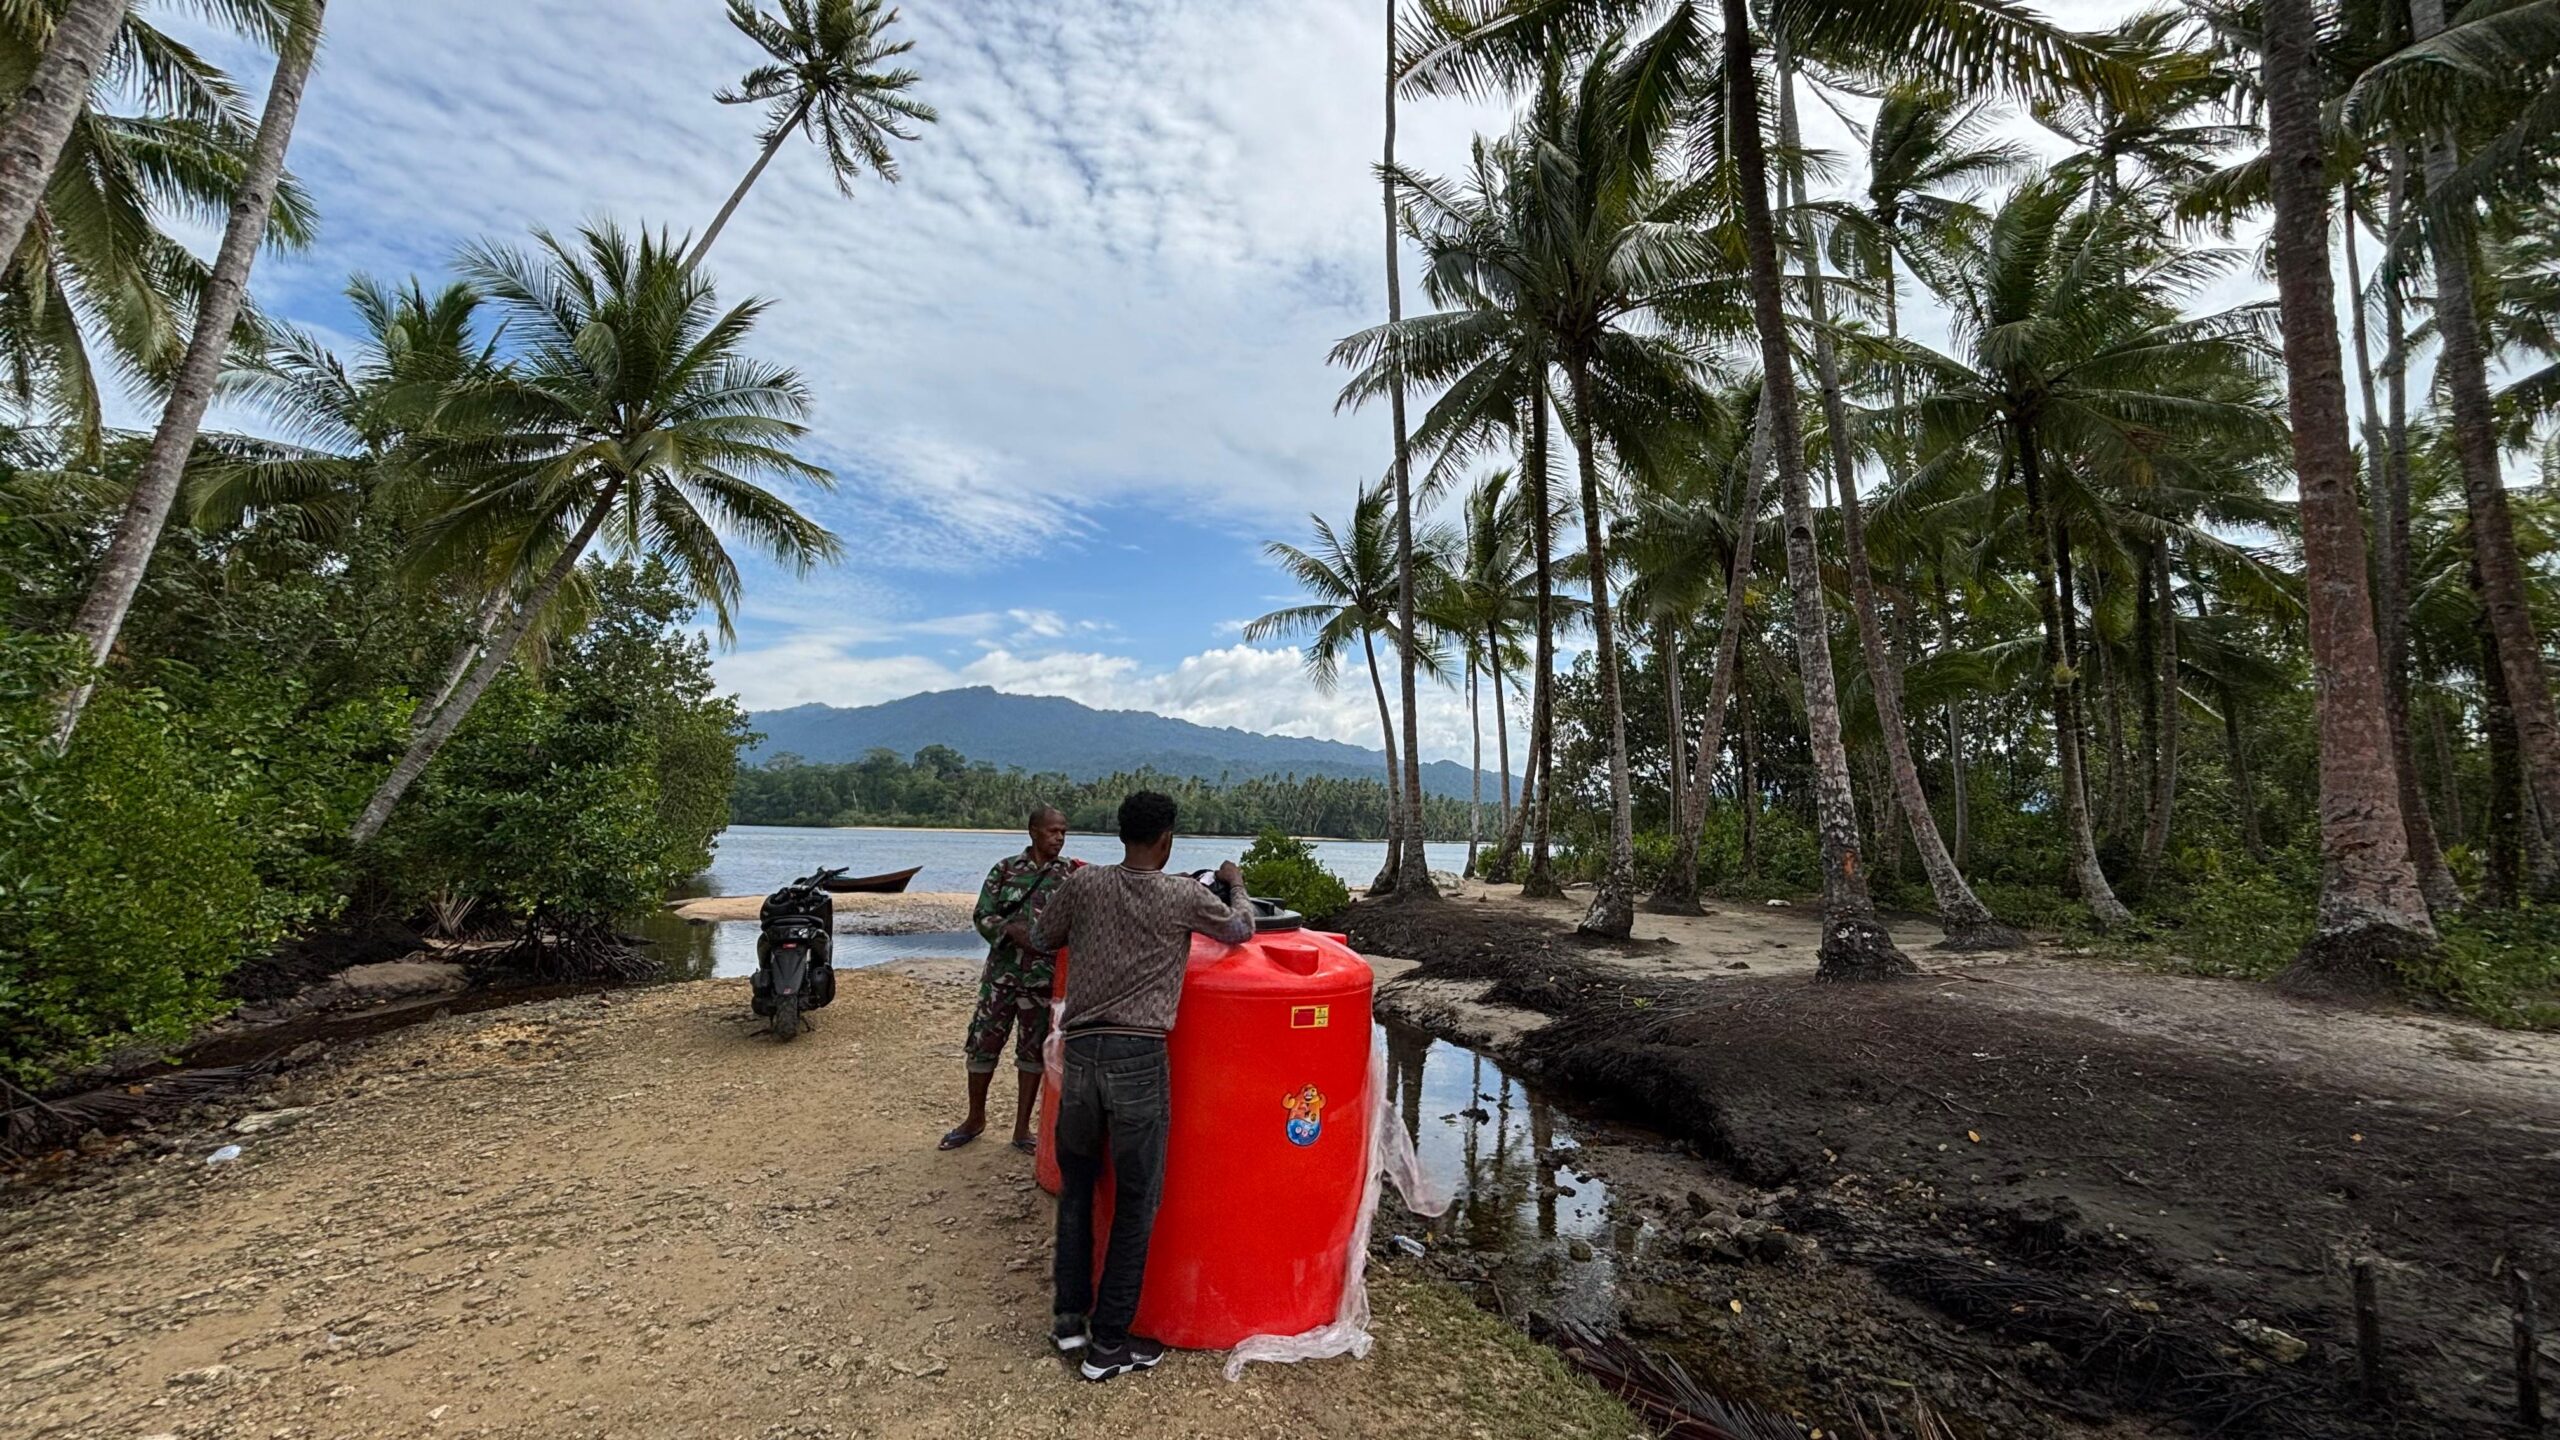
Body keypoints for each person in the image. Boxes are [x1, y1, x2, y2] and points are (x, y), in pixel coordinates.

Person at [1030, 790, 1255, 1381]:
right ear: (1167, 840)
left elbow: (1044, 935)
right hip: (1137, 1057)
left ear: (1121, 834)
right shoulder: (1184, 894)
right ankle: (1109, 1347)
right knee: (1136, 1202)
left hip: (1080, 1058)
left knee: (1078, 1191)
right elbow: (1240, 930)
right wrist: (1233, 880)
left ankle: (1069, 1324)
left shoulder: (1084, 884)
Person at [940, 806, 1083, 1153]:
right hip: (1001, 978)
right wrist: (1008, 931)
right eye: (1053, 831)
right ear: (1033, 831)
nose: (1059, 838)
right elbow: (982, 915)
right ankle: (975, 1119)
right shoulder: (1005, 870)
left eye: (1063, 831)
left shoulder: (1073, 876)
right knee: (982, 1045)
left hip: (1043, 981)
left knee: (1033, 1054)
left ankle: (1022, 1130)